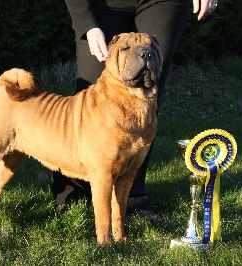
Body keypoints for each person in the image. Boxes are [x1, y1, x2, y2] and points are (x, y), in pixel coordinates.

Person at [52, 0, 218, 222]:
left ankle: (131, 197)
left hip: (163, 4)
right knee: (90, 98)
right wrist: (87, 24)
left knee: (146, 95)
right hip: (103, 4)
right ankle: (73, 189)